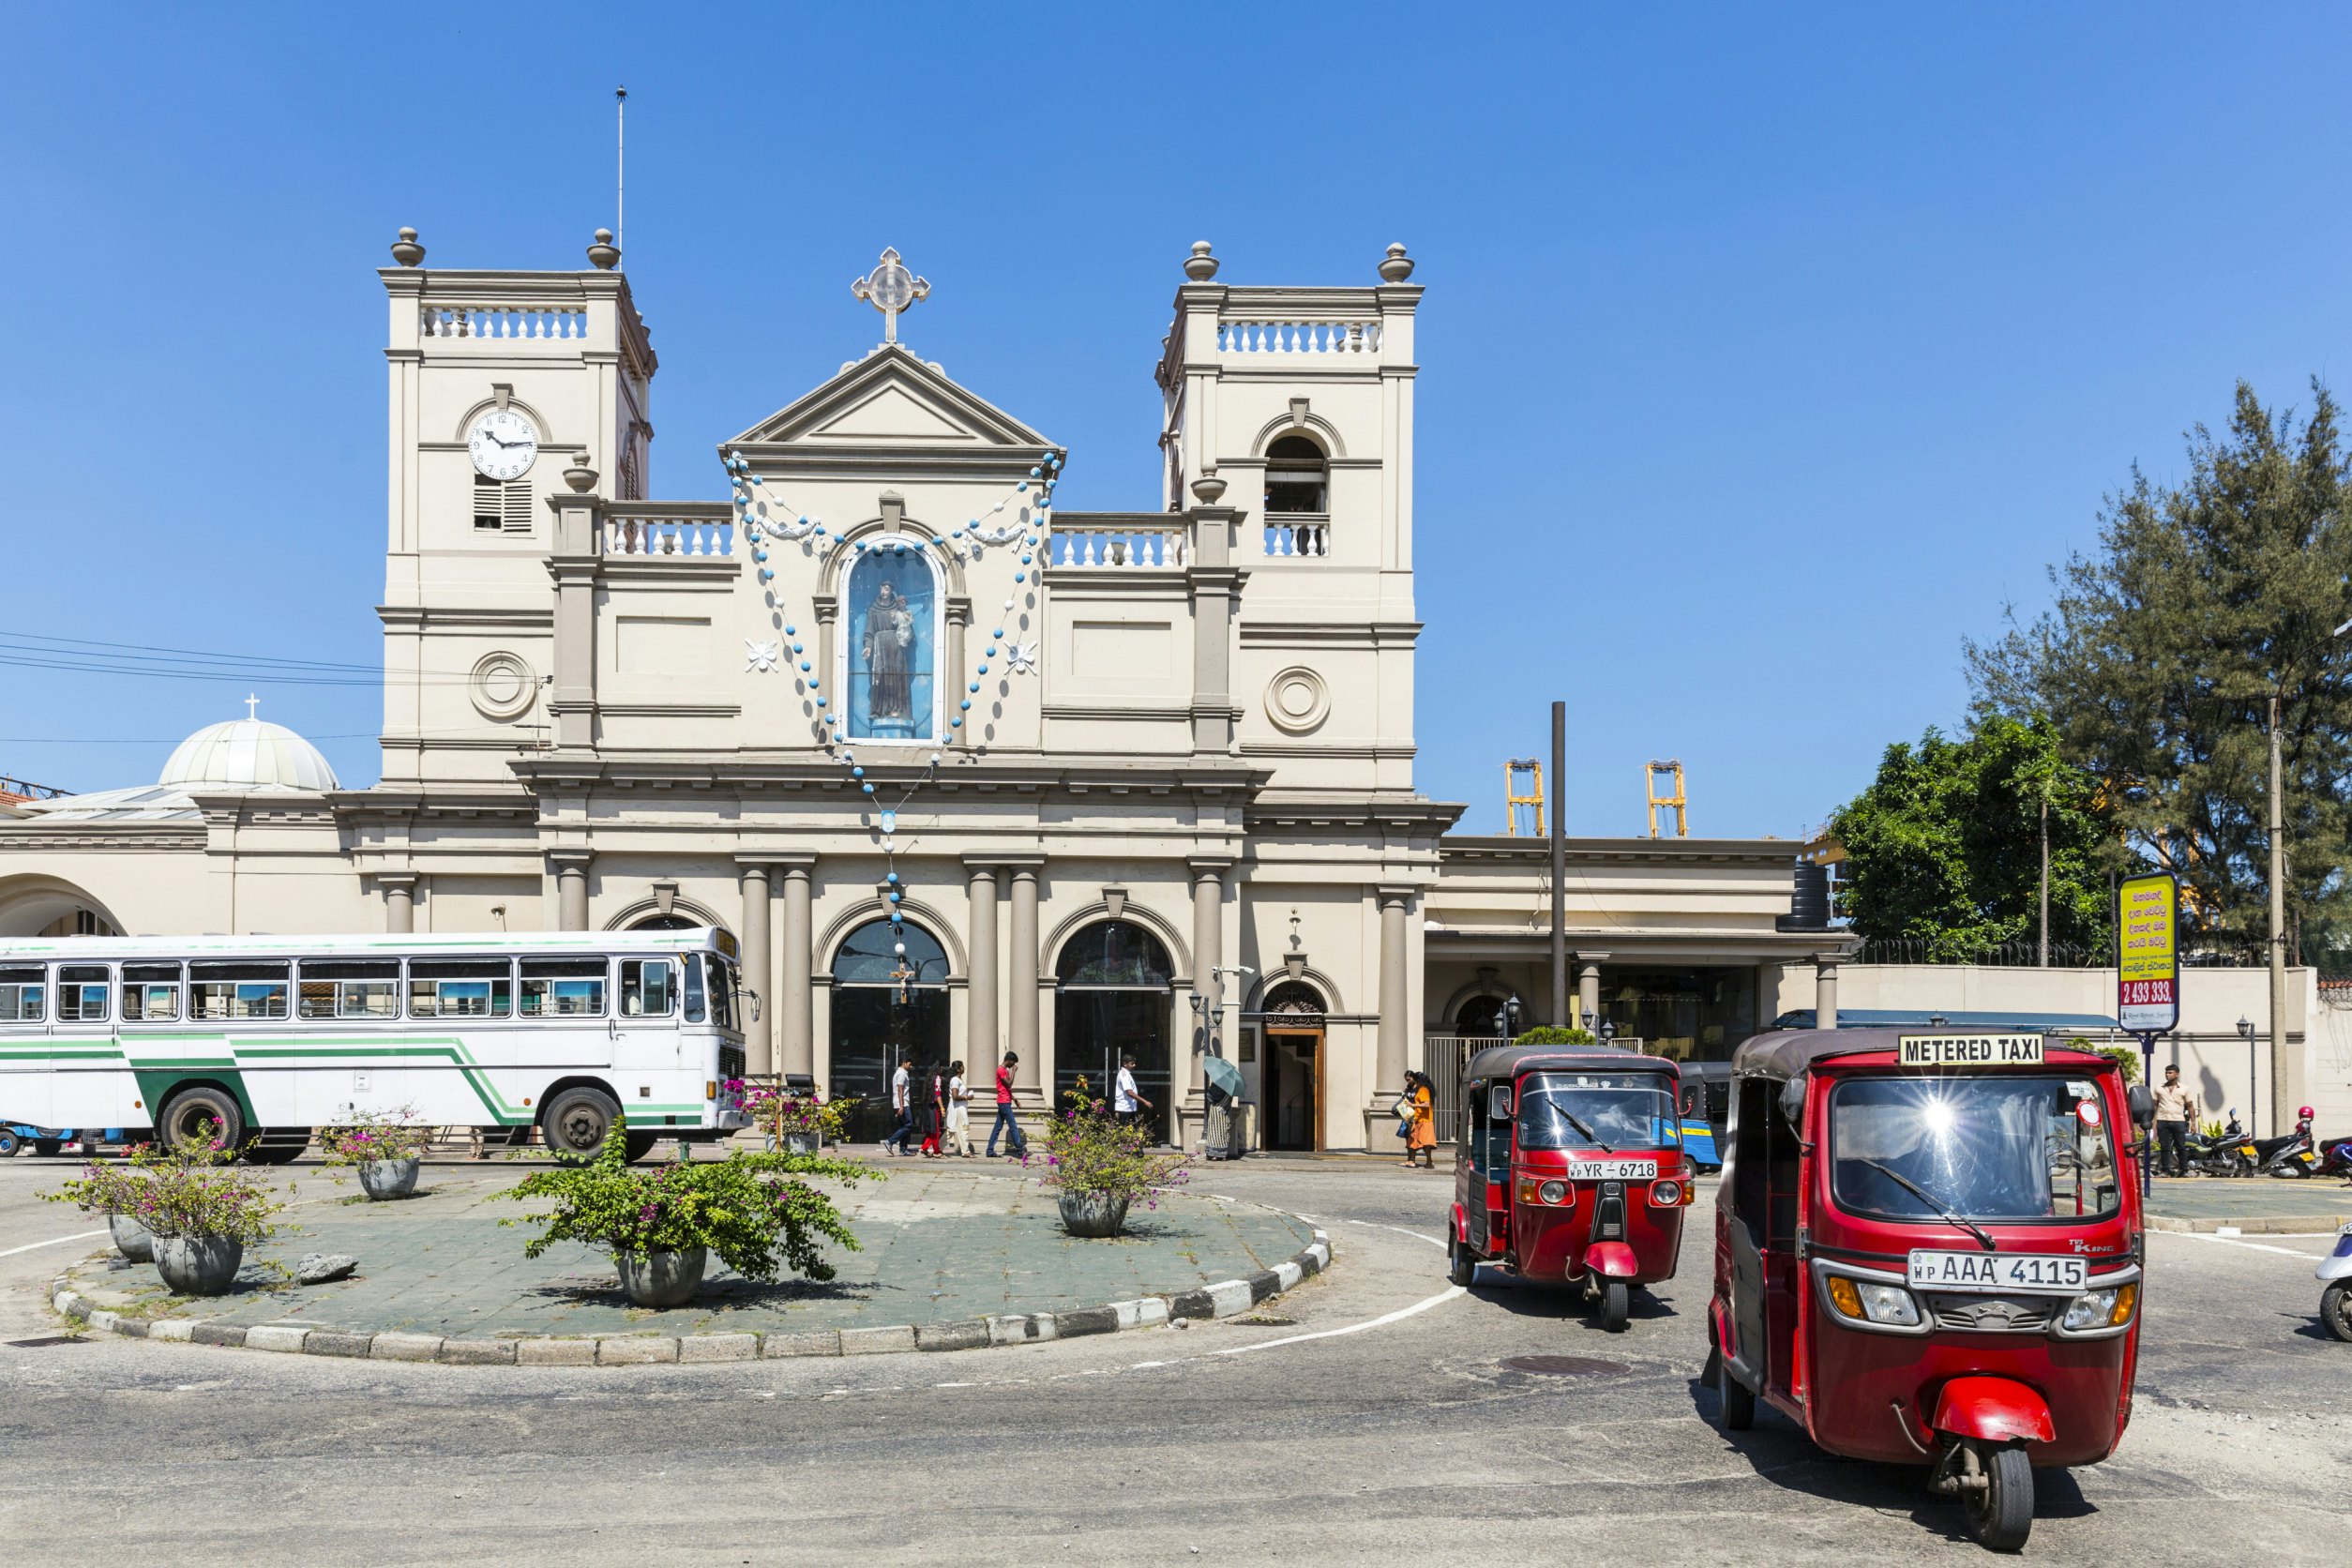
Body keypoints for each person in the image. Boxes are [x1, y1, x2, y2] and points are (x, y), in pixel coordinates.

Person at [2151, 1063, 2196, 1177]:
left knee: (2180, 1146)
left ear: (2177, 1074)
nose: (2167, 1075)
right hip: (2162, 1120)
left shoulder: (2185, 1089)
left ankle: (2184, 1170)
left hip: (2178, 1120)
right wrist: (2153, 1123)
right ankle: (2165, 1170)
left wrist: (2193, 1123)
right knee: (2165, 1146)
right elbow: (2155, 1106)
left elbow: (2190, 1106)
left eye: (2170, 1072)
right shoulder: (2159, 1088)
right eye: (2166, 1072)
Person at [988, 1050, 1028, 1159]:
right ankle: (1020, 1150)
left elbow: (1007, 1089)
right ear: (1008, 1060)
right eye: (1013, 1062)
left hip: (1005, 1101)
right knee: (1013, 1126)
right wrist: (1014, 1072)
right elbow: (1009, 1084)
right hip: (1004, 1102)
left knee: (998, 1127)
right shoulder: (1001, 1070)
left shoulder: (1005, 1070)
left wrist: (1015, 1100)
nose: (1013, 1065)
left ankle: (989, 1150)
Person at [1399, 1069, 1437, 1170]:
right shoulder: (1421, 1089)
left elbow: (1426, 1104)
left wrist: (1412, 1105)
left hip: (1425, 1120)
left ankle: (1429, 1162)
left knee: (1426, 1143)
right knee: (1413, 1140)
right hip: (1418, 1119)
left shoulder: (1423, 1089)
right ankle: (1412, 1161)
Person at [1114, 1052, 1153, 1137]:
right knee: (1123, 1133)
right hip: (1125, 1109)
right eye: (1131, 1064)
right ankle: (1123, 1149)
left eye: (1134, 1063)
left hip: (1130, 1108)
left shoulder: (1127, 1074)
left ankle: (1132, 1148)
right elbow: (1130, 1092)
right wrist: (1145, 1101)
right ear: (1125, 1064)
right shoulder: (1124, 1075)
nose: (1134, 1065)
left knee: (1133, 1131)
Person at [882, 1058, 914, 1155]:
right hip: (903, 1103)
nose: (911, 1066)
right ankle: (890, 1141)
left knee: (903, 1126)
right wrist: (902, 1106)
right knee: (909, 1125)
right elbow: (900, 1089)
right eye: (910, 1064)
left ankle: (903, 1150)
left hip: (900, 1102)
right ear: (904, 1063)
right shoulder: (902, 1073)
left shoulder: (900, 1073)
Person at [945, 1060, 974, 1157]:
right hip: (958, 1108)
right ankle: (965, 1151)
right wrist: (967, 1097)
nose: (964, 1068)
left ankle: (965, 1151)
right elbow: (955, 1096)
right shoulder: (955, 1080)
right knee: (963, 1128)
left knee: (957, 1130)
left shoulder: (959, 1080)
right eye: (962, 1067)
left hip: (960, 1107)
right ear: (958, 1069)